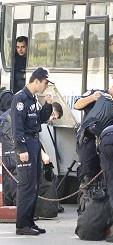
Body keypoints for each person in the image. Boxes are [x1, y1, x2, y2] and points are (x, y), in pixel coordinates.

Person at [11, 67, 53, 235]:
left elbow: (40, 120)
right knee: (27, 186)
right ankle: (22, 225)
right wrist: (21, 148)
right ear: (36, 81)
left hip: (35, 142)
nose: (45, 86)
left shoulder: (34, 98)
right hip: (26, 144)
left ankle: (29, 221)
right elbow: (17, 127)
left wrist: (48, 105)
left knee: (34, 185)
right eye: (45, 83)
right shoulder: (20, 98)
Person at [74, 79, 113, 182]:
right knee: (87, 173)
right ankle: (85, 195)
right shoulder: (97, 93)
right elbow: (77, 105)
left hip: (108, 144)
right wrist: (93, 97)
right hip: (89, 139)